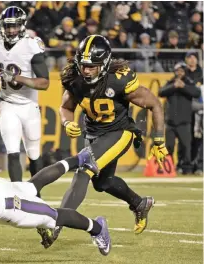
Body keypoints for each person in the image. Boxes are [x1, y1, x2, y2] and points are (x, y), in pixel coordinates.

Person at [54, 35, 168, 240]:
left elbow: (155, 104)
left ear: (104, 63)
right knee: (102, 183)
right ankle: (139, 203)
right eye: (83, 65)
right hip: (93, 133)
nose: (86, 70)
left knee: (84, 170)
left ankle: (56, 222)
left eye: (92, 66)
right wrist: (67, 122)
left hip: (120, 132)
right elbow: (65, 107)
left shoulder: (119, 79)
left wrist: (159, 140)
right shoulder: (74, 77)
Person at [0, 6, 50, 182]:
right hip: (7, 102)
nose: (11, 30)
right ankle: (18, 195)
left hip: (29, 104)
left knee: (33, 153)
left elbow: (44, 83)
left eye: (15, 26)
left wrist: (19, 78)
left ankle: (36, 194)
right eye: (8, 26)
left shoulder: (31, 45)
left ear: (23, 26)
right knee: (12, 149)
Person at [158, 62, 201, 174]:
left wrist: (183, 86)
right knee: (169, 147)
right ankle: (169, 168)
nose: (180, 73)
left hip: (184, 122)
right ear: (175, 72)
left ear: (185, 72)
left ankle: (186, 169)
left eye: (182, 71)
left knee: (186, 147)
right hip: (171, 122)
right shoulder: (171, 82)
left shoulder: (188, 82)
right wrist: (174, 86)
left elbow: (197, 92)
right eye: (178, 71)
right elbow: (161, 92)